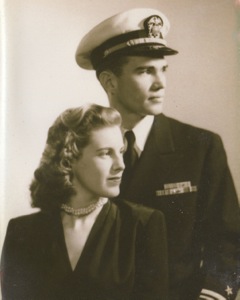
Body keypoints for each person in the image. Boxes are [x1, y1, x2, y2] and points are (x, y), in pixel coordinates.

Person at [75, 8, 240, 300]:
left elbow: (229, 244)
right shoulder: (77, 148)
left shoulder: (200, 146)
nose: (160, 83)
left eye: (162, 69)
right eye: (144, 71)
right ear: (109, 81)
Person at [0, 104, 169, 299]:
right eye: (105, 153)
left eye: (120, 151)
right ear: (69, 158)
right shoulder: (22, 233)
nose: (120, 165)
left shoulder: (143, 225)